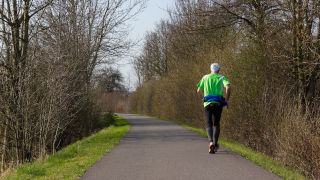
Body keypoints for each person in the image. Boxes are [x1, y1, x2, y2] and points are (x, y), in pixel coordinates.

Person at [197, 63, 231, 154]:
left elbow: (198, 90)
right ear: (219, 70)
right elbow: (228, 87)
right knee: (216, 123)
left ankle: (211, 142)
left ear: (210, 69)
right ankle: (215, 144)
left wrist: (202, 98)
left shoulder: (205, 77)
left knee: (208, 122)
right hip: (218, 103)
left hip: (208, 103)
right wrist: (227, 100)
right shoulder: (222, 77)